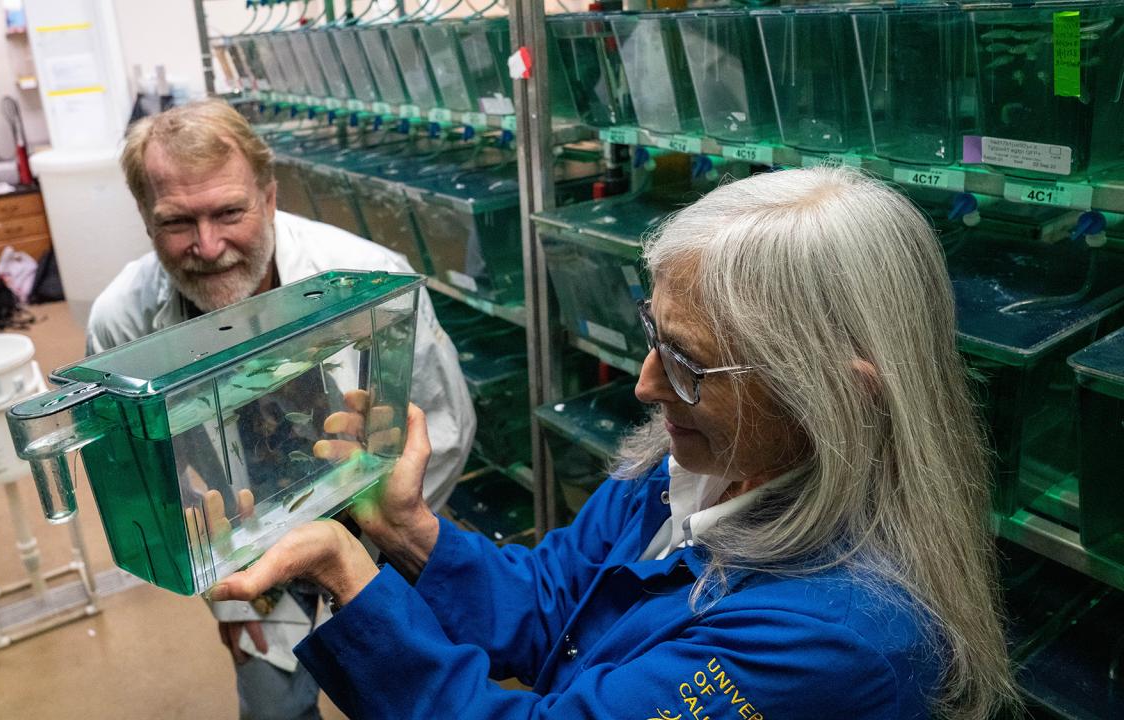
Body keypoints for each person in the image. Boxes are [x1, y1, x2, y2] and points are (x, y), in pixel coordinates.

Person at [211, 167, 1019, 719]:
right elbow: (550, 602)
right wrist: (403, 526)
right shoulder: (697, 465)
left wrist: (348, 576)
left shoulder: (835, 635)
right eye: (654, 337)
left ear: (840, 393)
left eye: (691, 363)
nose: (645, 384)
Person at [85, 99, 476, 720]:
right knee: (274, 705)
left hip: (376, 532)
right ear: (145, 219)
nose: (208, 247)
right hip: (247, 556)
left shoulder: (368, 276)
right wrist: (229, 598)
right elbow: (159, 493)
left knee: (408, 692)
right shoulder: (122, 323)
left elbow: (445, 428)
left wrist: (389, 546)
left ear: (269, 197)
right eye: (177, 222)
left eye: (229, 212)